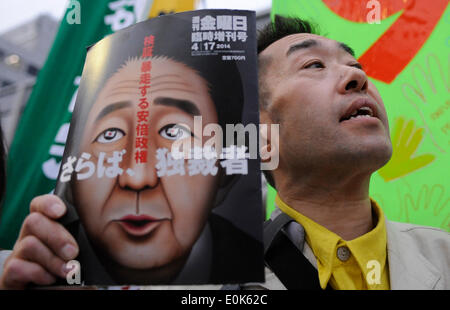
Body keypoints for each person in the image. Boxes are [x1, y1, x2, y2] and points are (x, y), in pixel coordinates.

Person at [0, 14, 263, 288]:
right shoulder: (45, 267)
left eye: (174, 132)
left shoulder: (263, 271)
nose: (137, 178)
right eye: (110, 134)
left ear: (227, 168)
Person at [251, 15, 450, 290]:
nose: (358, 76)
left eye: (356, 65)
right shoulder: (215, 282)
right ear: (262, 138)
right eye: (314, 65)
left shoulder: (444, 256)